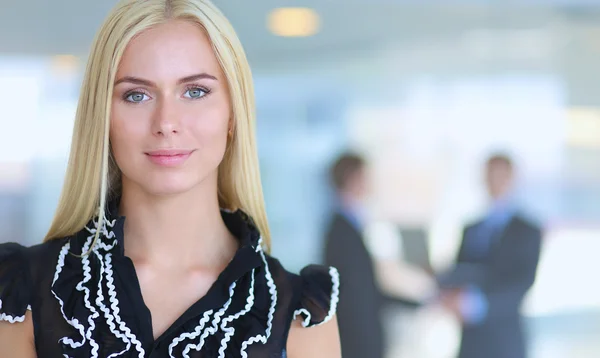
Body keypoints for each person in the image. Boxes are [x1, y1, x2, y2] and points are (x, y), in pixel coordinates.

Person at [0, 1, 341, 357]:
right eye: (137, 95)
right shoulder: (22, 292)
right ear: (103, 117)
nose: (166, 121)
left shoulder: (303, 315)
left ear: (232, 114)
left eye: (195, 91)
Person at [323, 152, 436, 358]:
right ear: (352, 179)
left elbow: (366, 288)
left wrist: (421, 302)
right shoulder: (341, 230)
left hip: (361, 337)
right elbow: (356, 293)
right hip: (357, 340)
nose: (370, 184)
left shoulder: (351, 226)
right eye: (366, 177)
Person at [437, 153, 542, 358]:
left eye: (500, 175)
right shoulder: (470, 228)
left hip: (504, 340)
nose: (494, 181)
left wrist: (477, 304)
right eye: (490, 175)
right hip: (471, 340)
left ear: (512, 178)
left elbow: (522, 282)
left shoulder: (527, 230)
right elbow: (461, 271)